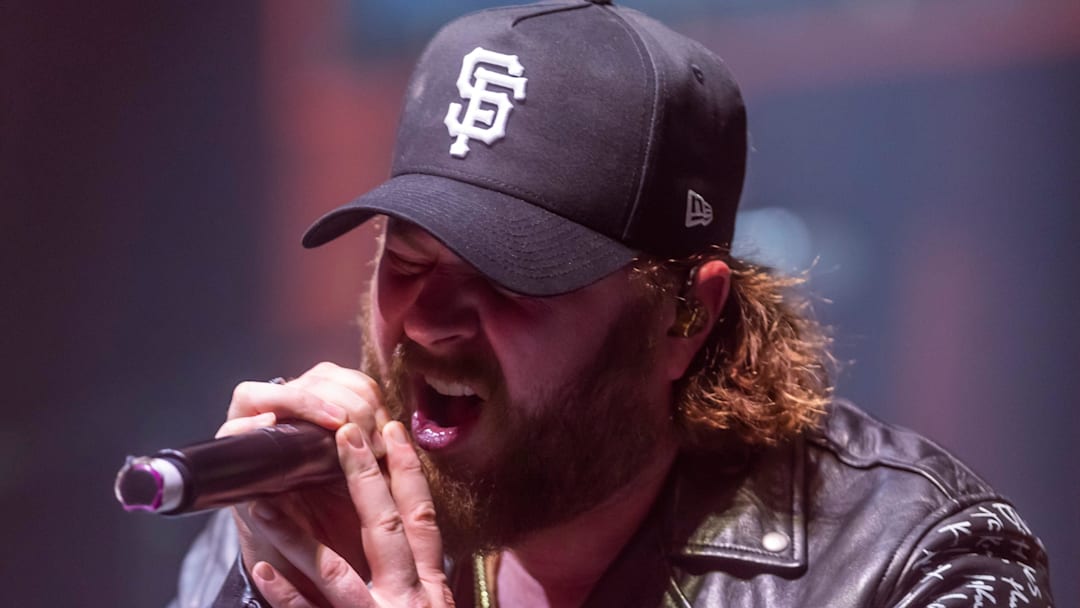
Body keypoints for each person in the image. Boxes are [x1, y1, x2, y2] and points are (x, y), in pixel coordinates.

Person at [171, 1, 1054, 606]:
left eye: (509, 275)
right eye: (407, 258)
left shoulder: (915, 565)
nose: (432, 320)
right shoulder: (294, 524)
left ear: (685, 316)